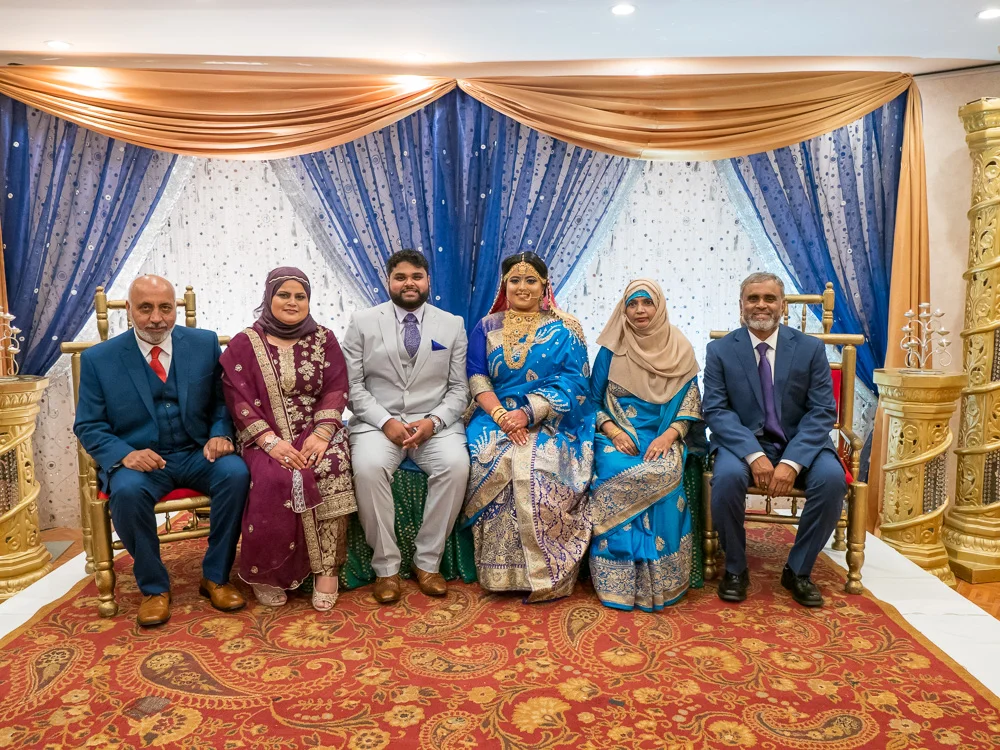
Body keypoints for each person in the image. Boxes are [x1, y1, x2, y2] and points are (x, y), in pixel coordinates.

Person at [74, 275, 249, 627]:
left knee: (236, 474)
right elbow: (89, 425)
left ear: (175, 309)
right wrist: (125, 455)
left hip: (196, 453)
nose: (156, 318)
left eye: (165, 308)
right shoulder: (98, 359)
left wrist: (219, 434)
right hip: (141, 462)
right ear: (129, 310)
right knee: (126, 492)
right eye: (146, 308)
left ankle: (215, 577)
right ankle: (154, 589)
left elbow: (222, 402)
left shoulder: (204, 343)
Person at [703, 272, 846, 607]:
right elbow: (716, 410)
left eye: (769, 298)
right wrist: (754, 455)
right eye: (753, 298)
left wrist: (792, 462)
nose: (761, 305)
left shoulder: (810, 349)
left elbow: (823, 411)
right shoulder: (720, 351)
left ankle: (798, 570)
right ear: (741, 305)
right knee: (726, 478)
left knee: (832, 480)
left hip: (801, 442)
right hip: (743, 443)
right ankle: (735, 569)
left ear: (782, 305)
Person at [220, 267, 357, 611]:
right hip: (264, 436)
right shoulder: (245, 344)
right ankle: (269, 572)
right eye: (284, 295)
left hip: (317, 430)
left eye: (300, 296)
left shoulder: (324, 339)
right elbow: (237, 398)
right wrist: (270, 442)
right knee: (272, 478)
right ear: (269, 297)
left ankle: (327, 569)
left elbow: (336, 387)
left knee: (332, 464)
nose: (292, 302)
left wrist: (322, 434)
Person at [461, 252, 595, 603]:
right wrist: (502, 416)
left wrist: (529, 412)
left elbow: (577, 383)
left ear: (544, 286)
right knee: (487, 457)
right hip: (493, 418)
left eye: (531, 280)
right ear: (504, 286)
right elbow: (477, 376)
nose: (523, 287)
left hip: (556, 420)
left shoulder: (566, 328)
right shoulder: (486, 327)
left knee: (541, 468)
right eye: (515, 280)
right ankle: (501, 573)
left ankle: (545, 573)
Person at [342, 249, 470, 605]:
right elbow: (353, 386)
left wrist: (434, 421)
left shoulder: (452, 324)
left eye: (416, 276)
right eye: (400, 277)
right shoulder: (362, 322)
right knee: (368, 468)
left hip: (434, 423)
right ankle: (386, 568)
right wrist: (385, 421)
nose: (408, 283)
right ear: (388, 281)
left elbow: (459, 389)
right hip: (377, 423)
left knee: (456, 466)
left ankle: (427, 563)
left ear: (428, 281)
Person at [589, 279, 703, 611]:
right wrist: (612, 431)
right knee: (612, 470)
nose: (640, 310)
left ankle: (663, 579)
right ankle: (618, 580)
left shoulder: (680, 348)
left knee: (663, 473)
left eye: (647, 303)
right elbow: (590, 402)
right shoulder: (611, 350)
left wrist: (670, 436)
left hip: (662, 436)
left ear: (659, 306)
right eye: (632, 304)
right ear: (623, 310)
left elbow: (690, 403)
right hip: (617, 436)